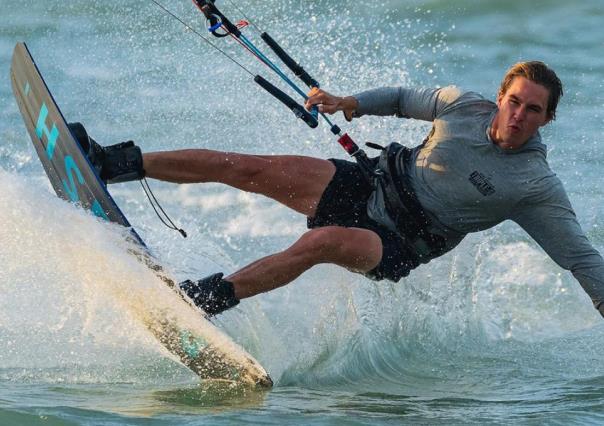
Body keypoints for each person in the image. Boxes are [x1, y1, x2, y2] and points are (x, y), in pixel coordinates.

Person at [71, 61, 604, 318]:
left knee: (321, 243)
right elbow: (401, 97)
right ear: (500, 96)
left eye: (533, 110)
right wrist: (348, 101)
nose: (518, 115)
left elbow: (582, 258)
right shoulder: (463, 106)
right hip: (371, 181)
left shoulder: (536, 187)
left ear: (547, 119)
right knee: (247, 167)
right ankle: (111, 162)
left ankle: (204, 299)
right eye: (515, 101)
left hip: (401, 242)